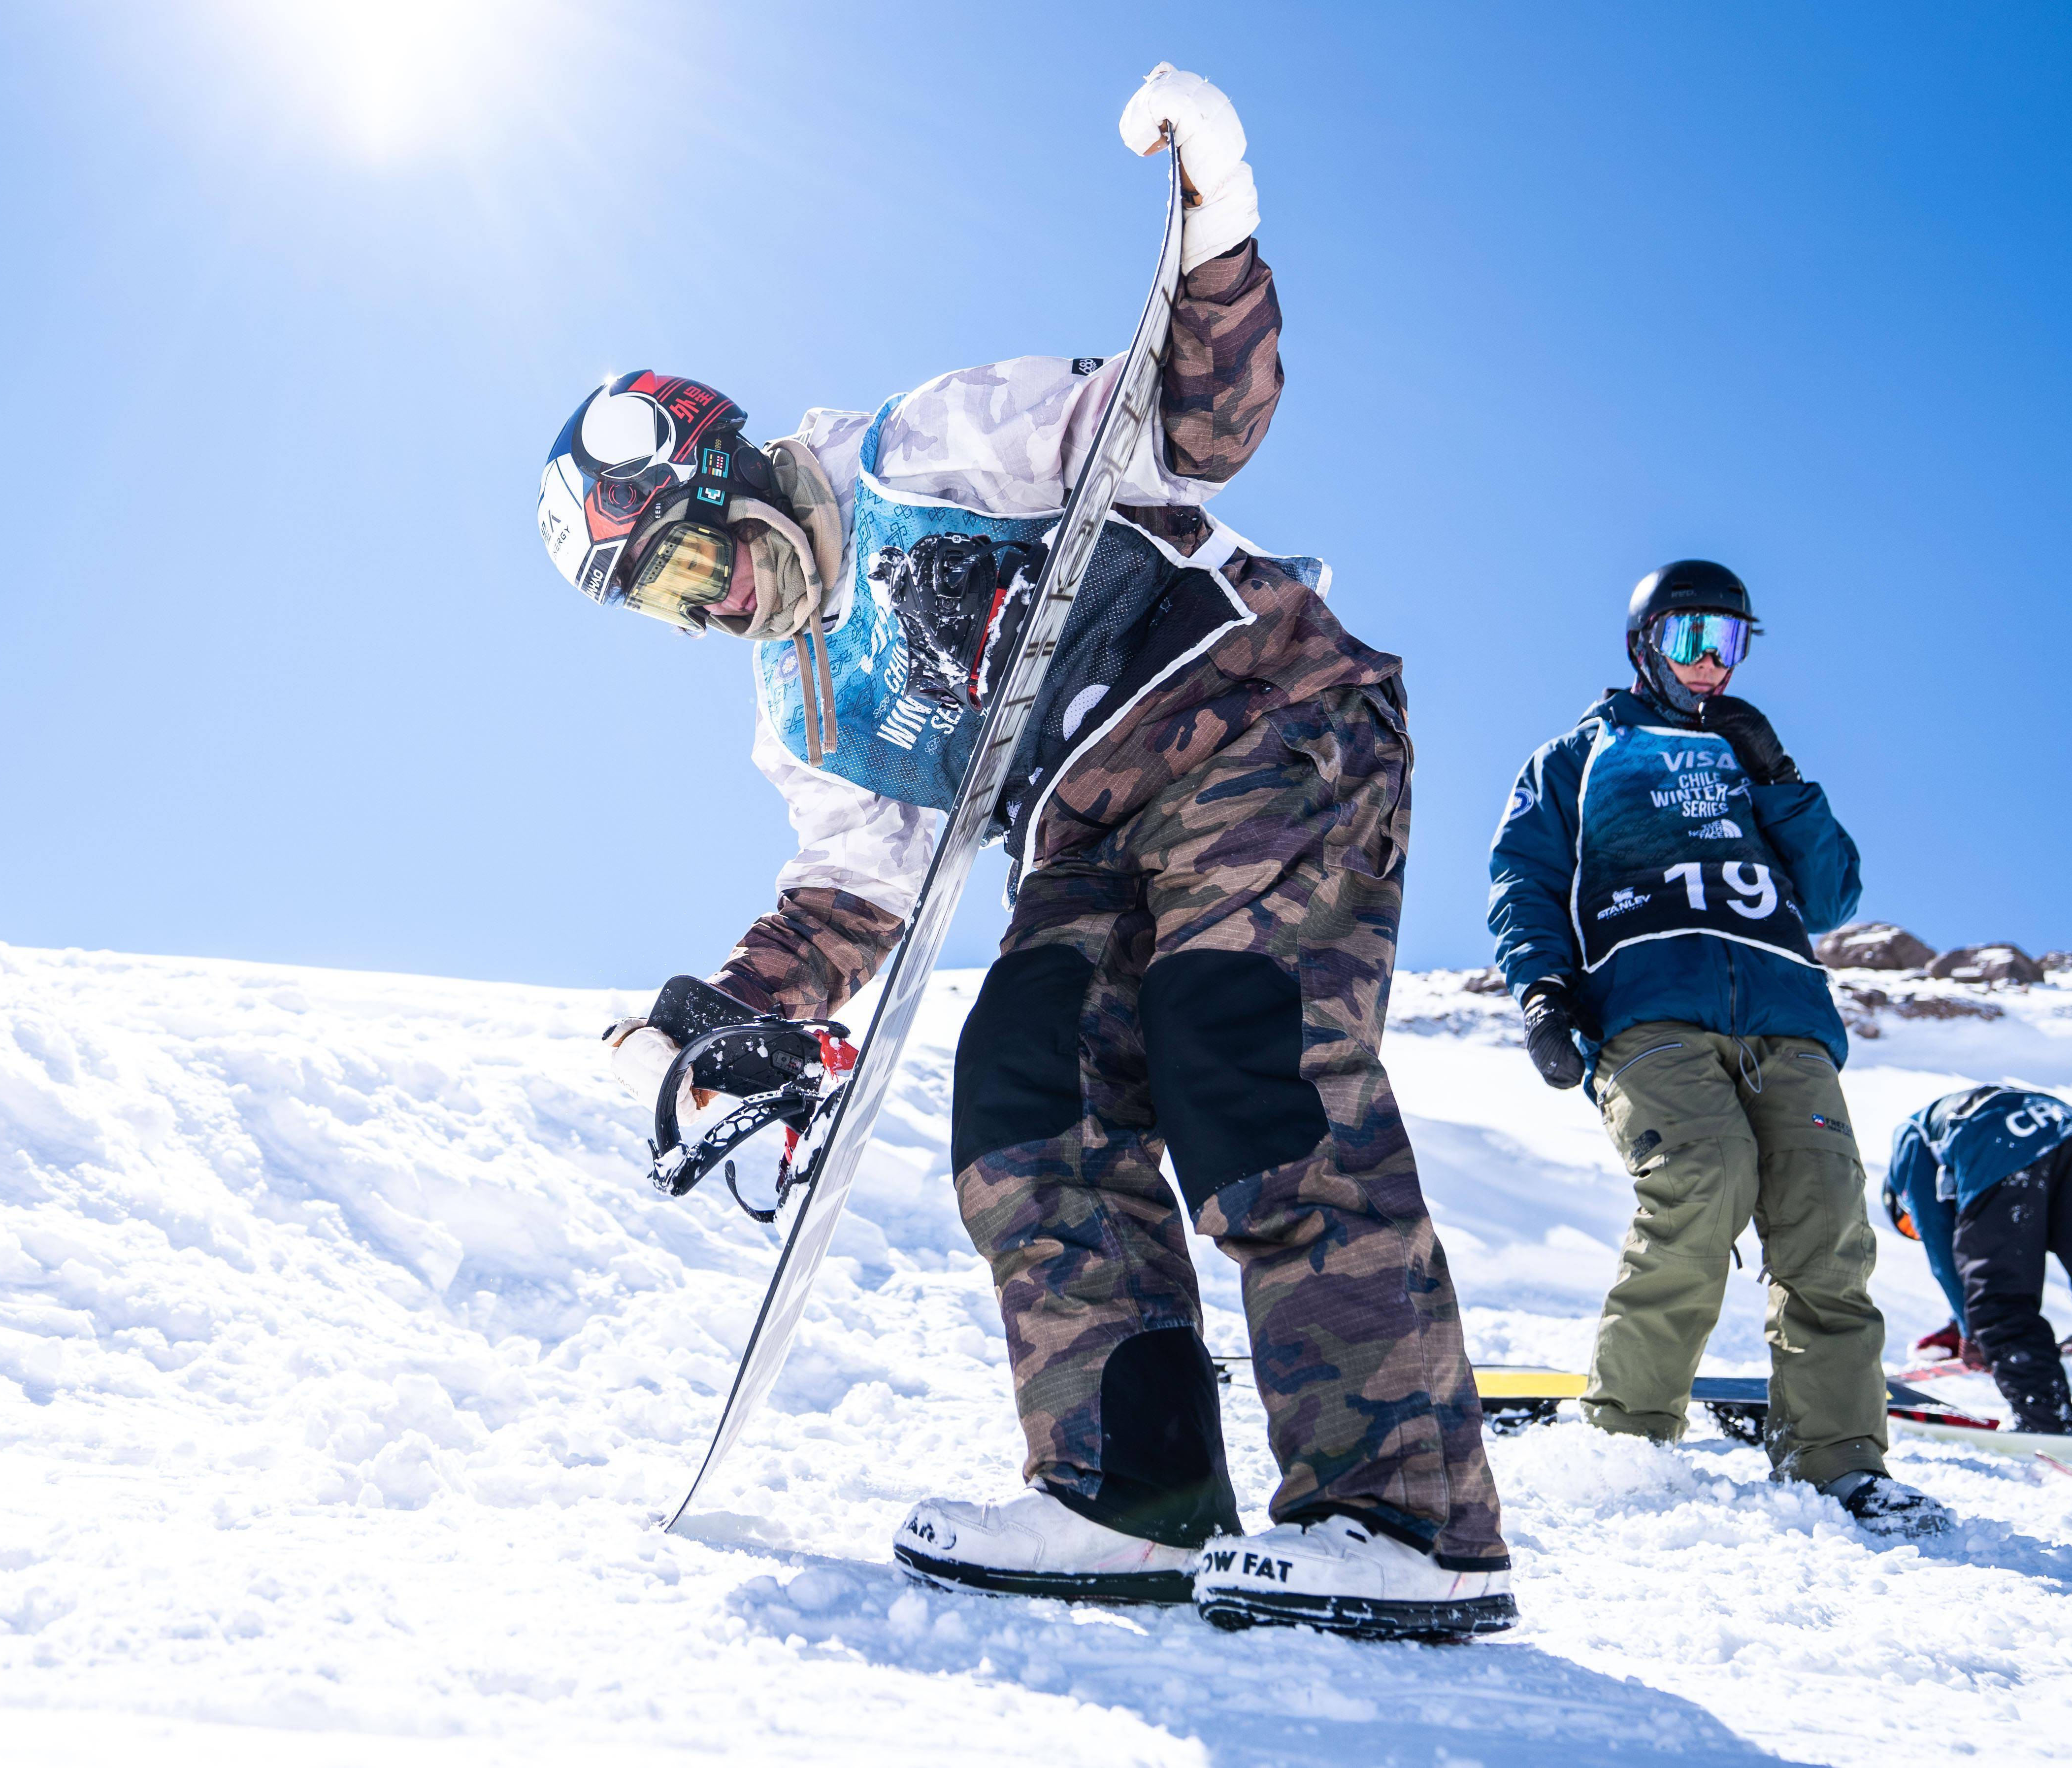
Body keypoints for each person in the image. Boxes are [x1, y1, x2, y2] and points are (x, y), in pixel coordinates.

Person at [553, 66, 1513, 1639]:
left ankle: (1406, 1515)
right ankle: (1130, 1490)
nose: (719, 601)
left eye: (701, 557)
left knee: (1240, 1055)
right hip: (1082, 830)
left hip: (1256, 715)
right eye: (669, 603)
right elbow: (849, 887)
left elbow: (1188, 422)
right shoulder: (798, 705)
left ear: (724, 474)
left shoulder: (920, 454)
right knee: (1019, 1089)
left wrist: (1219, 235)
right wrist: (731, 1012)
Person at [1485, 560, 1952, 1537]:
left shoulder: (1751, 760)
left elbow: (1830, 898)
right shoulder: (1577, 754)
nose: (1709, 665)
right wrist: (1542, 991)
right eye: (1689, 639)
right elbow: (1523, 879)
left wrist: (1781, 781)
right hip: (1649, 1010)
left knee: (1826, 1224)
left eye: (1728, 645)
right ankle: (1624, 1436)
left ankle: (1838, 1464)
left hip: (1785, 1017)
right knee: (1700, 1178)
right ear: (1641, 643)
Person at [1884, 1087, 2072, 1439]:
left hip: (2002, 1143)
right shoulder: (1956, 1122)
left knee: (2002, 1301)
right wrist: (1963, 1321)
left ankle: (2046, 1424)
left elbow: (1940, 1238)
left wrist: (1974, 1330)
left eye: (1910, 1226)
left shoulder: (1910, 1136)